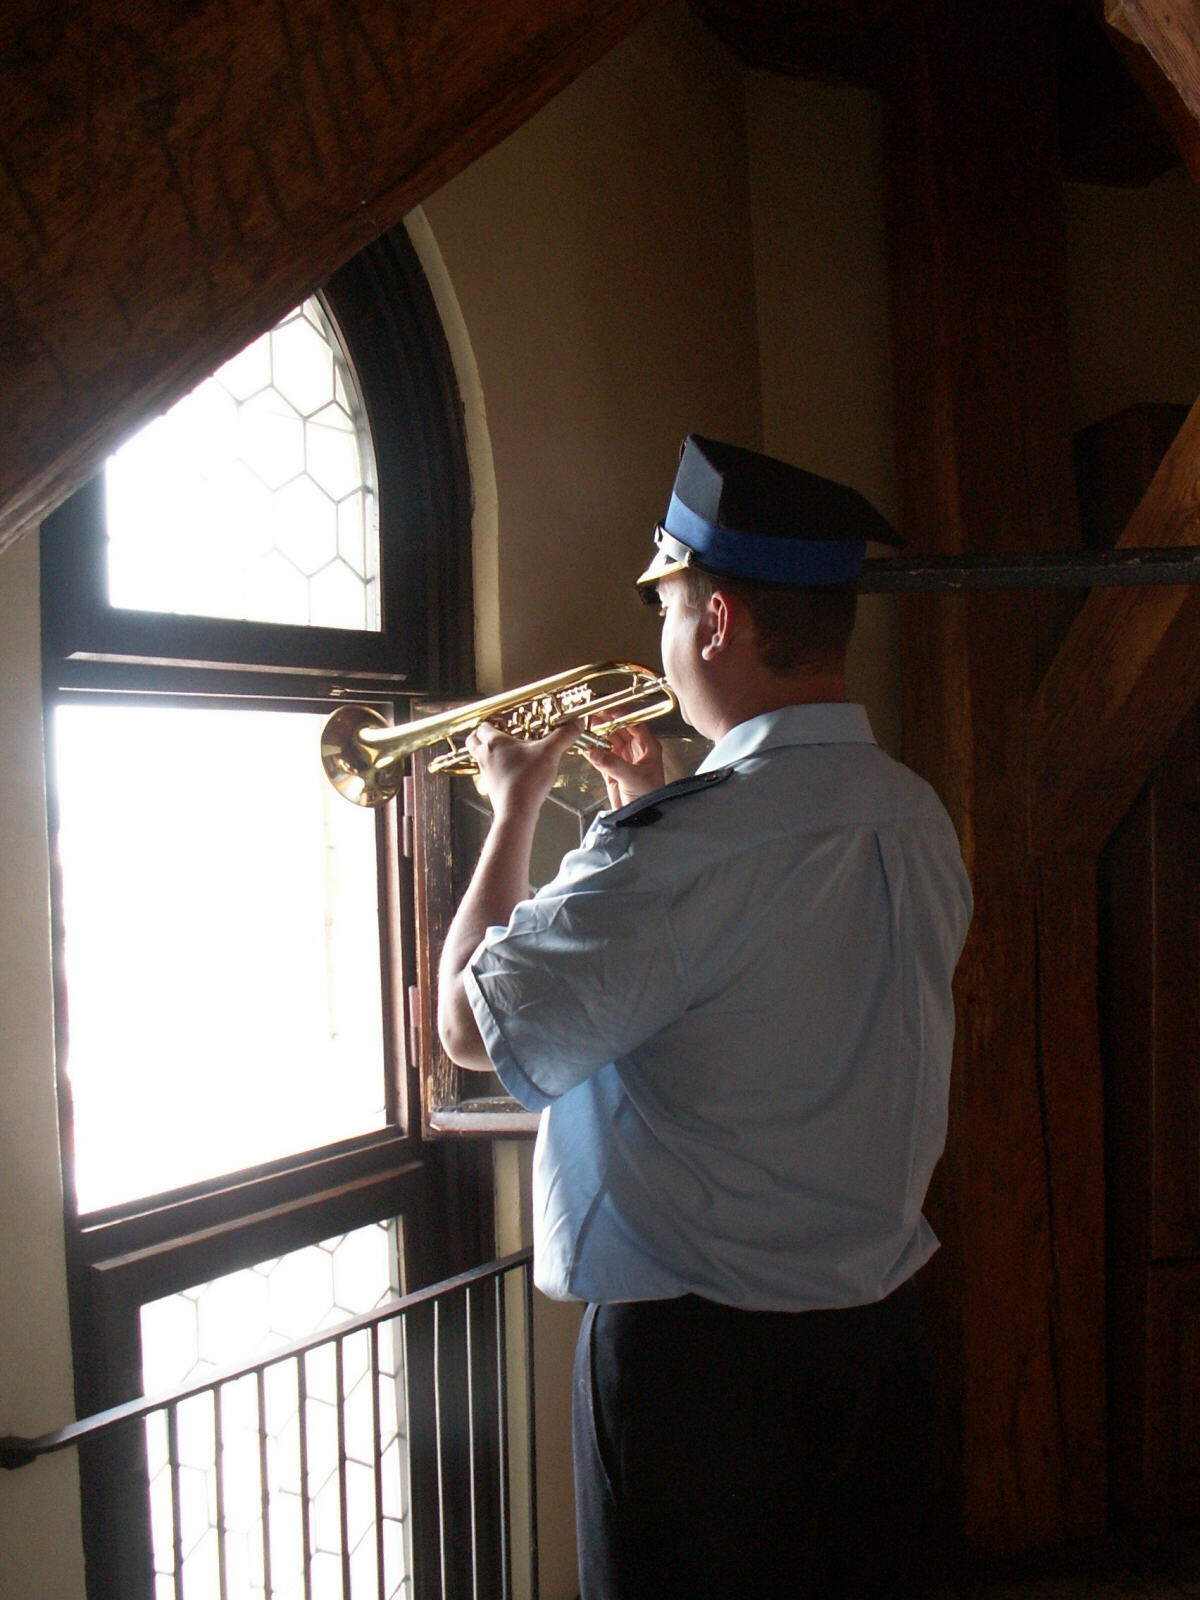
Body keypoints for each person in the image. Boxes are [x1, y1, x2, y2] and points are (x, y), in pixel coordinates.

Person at [437, 434, 973, 1600]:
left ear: (720, 620)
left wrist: (511, 806)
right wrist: (647, 803)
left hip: (707, 1380)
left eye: (669, 606)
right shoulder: (912, 810)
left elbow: (474, 1025)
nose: (664, 640)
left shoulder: (683, 854)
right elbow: (762, 999)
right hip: (877, 1344)